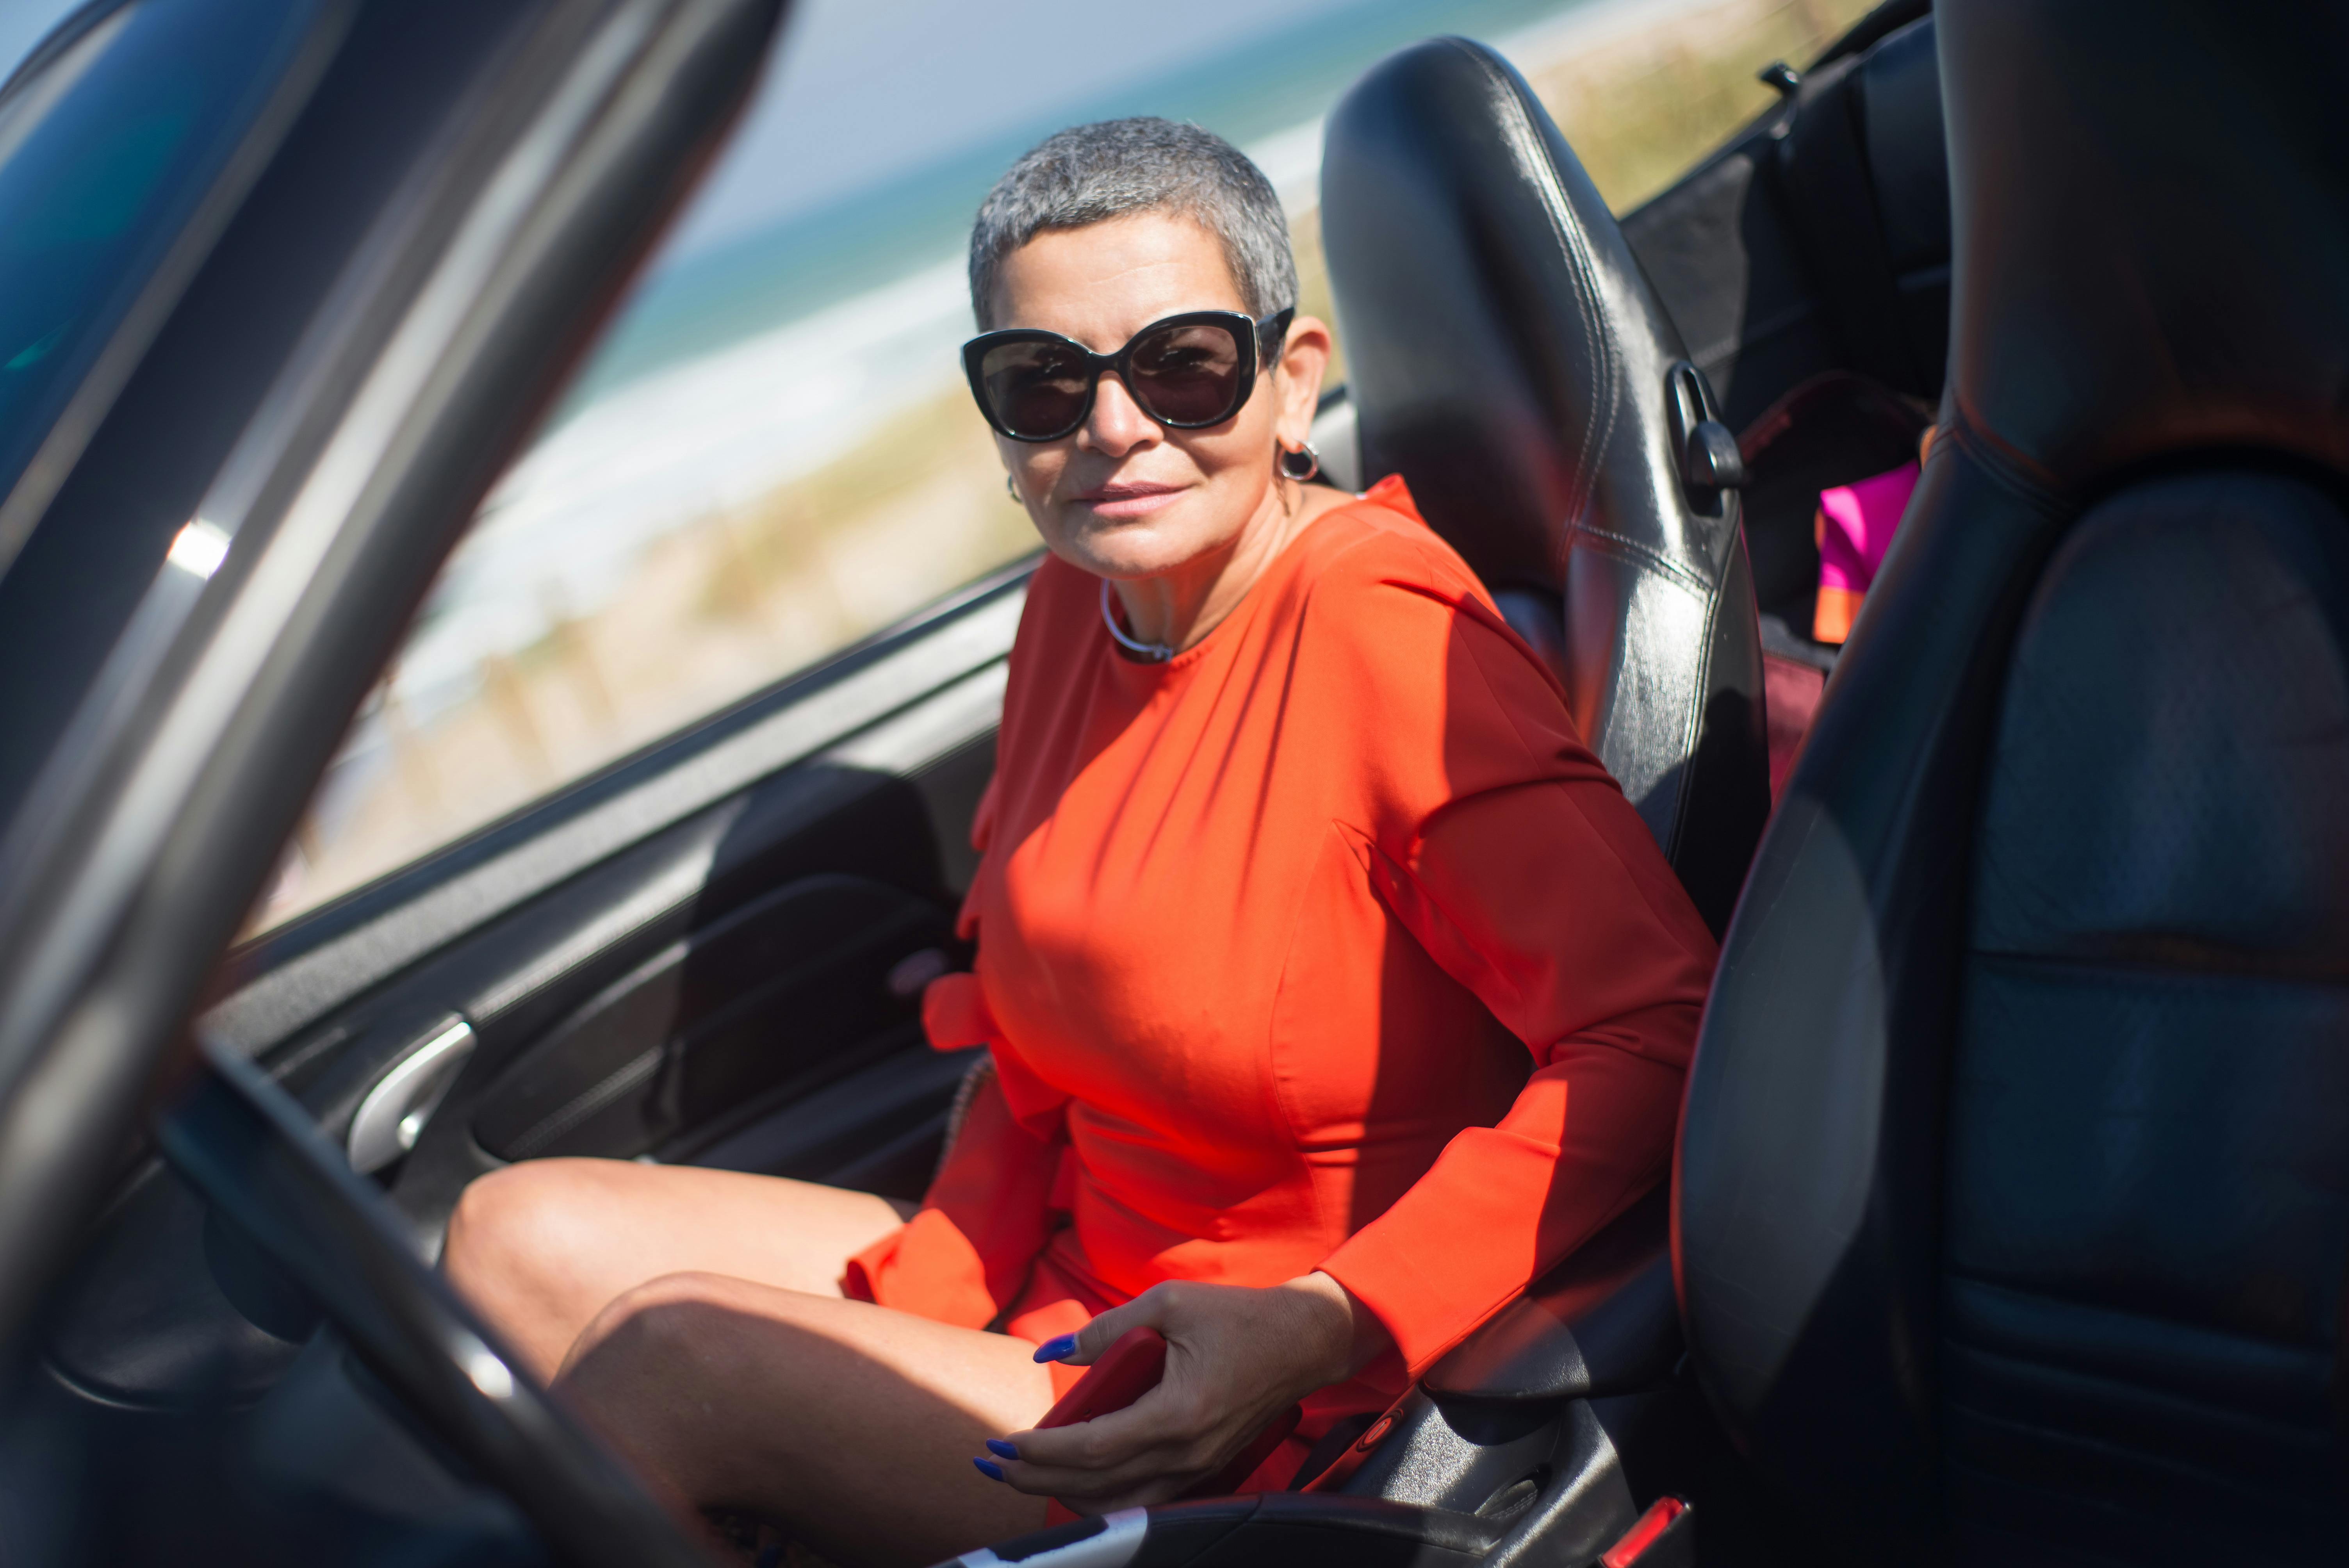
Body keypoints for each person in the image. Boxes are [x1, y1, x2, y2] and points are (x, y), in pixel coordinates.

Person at [441, 117, 1717, 1568]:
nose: (1115, 430)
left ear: (1292, 380)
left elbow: (1659, 1034)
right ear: (1001, 424)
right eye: (1046, 383)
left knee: (662, 1371)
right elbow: (1028, 1039)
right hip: (1067, 1288)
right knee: (509, 1240)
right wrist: (929, 1301)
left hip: (1266, 1384)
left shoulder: (1387, 646)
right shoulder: (1079, 603)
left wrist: (1326, 1323)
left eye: (1183, 366)